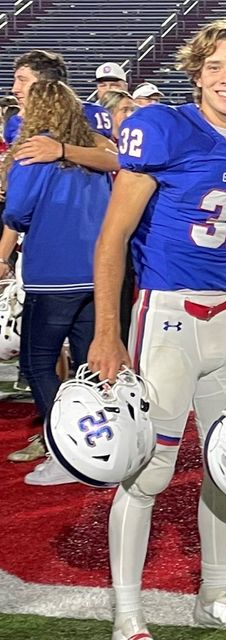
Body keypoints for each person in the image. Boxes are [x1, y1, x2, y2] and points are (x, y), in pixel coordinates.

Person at [85, 16, 226, 640]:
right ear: (196, 73)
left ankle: (213, 597)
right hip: (167, 313)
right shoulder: (163, 128)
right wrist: (108, 330)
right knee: (149, 469)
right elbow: (113, 237)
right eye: (216, 66)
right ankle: (127, 612)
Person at [1, 80, 111, 486]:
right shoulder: (93, 155)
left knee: (38, 363)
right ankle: (103, 448)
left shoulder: (34, 151)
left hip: (52, 273)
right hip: (96, 272)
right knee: (88, 367)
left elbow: (17, 212)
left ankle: (65, 452)